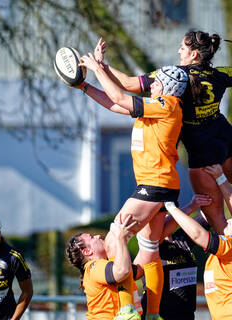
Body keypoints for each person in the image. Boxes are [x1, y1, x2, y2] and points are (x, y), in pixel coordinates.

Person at [77, 49, 188, 319]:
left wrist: (97, 68)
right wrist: (84, 86)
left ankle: (126, 310)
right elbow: (114, 104)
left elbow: (119, 96)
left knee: (117, 234)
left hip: (155, 184)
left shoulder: (167, 104)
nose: (152, 83)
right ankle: (151, 315)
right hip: (159, 185)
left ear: (167, 87)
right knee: (149, 249)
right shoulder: (155, 107)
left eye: (157, 81)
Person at [92, 32, 232, 234]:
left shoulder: (174, 75)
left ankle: (227, 264)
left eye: (182, 48)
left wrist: (101, 65)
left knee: (219, 222)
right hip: (226, 139)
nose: (178, 51)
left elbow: (129, 84)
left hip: (203, 154)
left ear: (193, 54)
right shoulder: (220, 74)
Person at [164, 163, 232, 320]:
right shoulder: (159, 247)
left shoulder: (227, 249)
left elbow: (198, 234)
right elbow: (208, 214)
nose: (228, 221)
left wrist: (172, 207)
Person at [66, 215, 141, 320]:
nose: (98, 236)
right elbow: (122, 271)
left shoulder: (108, 265)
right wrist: (121, 239)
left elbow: (140, 270)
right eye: (92, 237)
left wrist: (148, 241)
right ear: (87, 252)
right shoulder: (93, 267)